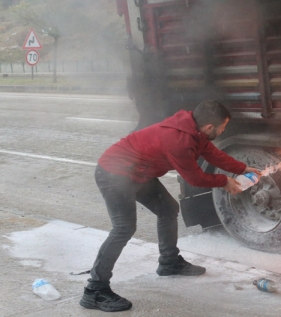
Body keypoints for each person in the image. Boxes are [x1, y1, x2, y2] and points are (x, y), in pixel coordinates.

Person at [80, 99, 260, 312]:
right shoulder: (179, 141)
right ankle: (95, 291)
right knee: (123, 228)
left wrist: (241, 168)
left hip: (139, 173)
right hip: (114, 173)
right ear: (210, 127)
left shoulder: (195, 130)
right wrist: (225, 181)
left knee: (168, 209)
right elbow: (195, 177)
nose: (224, 130)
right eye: (223, 127)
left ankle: (169, 262)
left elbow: (212, 154)